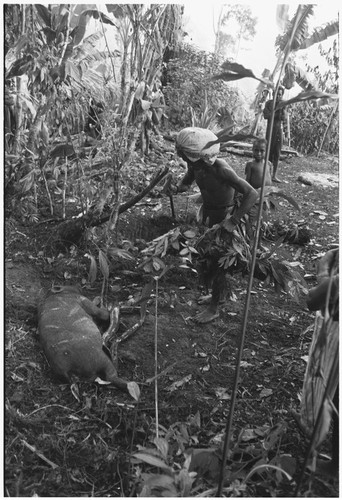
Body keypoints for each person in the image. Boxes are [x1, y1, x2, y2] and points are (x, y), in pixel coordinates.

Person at [173, 127, 258, 323]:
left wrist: (233, 220)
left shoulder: (221, 169)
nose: (185, 161)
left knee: (220, 264)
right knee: (208, 260)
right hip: (208, 217)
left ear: (201, 156)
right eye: (185, 158)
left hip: (225, 218)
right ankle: (215, 297)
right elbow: (185, 184)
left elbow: (252, 193)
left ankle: (214, 308)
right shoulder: (196, 167)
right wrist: (175, 188)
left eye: (187, 157)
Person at [263, 85, 288, 183]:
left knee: (277, 153)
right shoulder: (268, 103)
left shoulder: (283, 104)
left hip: (279, 130)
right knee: (268, 151)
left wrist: (280, 109)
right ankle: (266, 174)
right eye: (276, 94)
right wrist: (275, 110)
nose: (278, 96)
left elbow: (283, 118)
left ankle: (274, 175)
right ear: (273, 94)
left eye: (280, 95)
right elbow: (266, 116)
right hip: (270, 130)